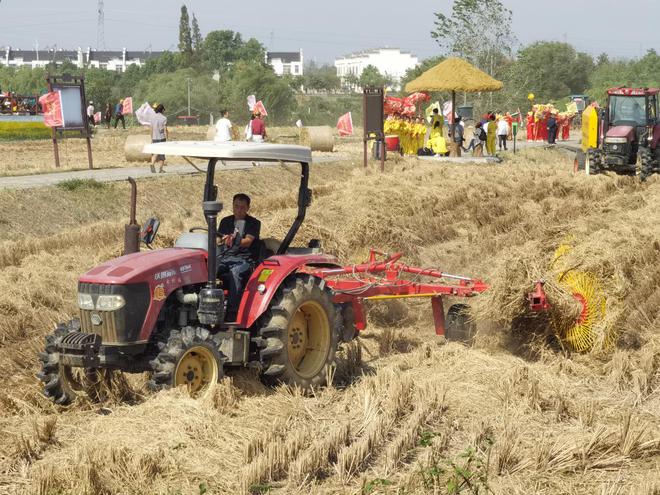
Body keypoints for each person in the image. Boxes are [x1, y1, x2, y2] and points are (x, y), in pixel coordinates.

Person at [217, 193, 261, 321]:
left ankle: (232, 313)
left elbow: (248, 241)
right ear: (232, 206)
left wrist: (234, 239)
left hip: (244, 260)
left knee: (235, 272)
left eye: (242, 207)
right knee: (209, 268)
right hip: (226, 257)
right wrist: (220, 240)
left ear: (248, 208)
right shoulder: (225, 221)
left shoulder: (254, 223)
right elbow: (218, 239)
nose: (239, 210)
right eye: (236, 206)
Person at [149, 104, 168, 173]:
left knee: (155, 152)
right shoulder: (164, 118)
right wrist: (167, 138)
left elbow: (151, 129)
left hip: (154, 137)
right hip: (161, 138)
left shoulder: (152, 117)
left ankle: (152, 163)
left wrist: (151, 137)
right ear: (162, 110)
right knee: (162, 154)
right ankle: (160, 169)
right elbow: (165, 129)